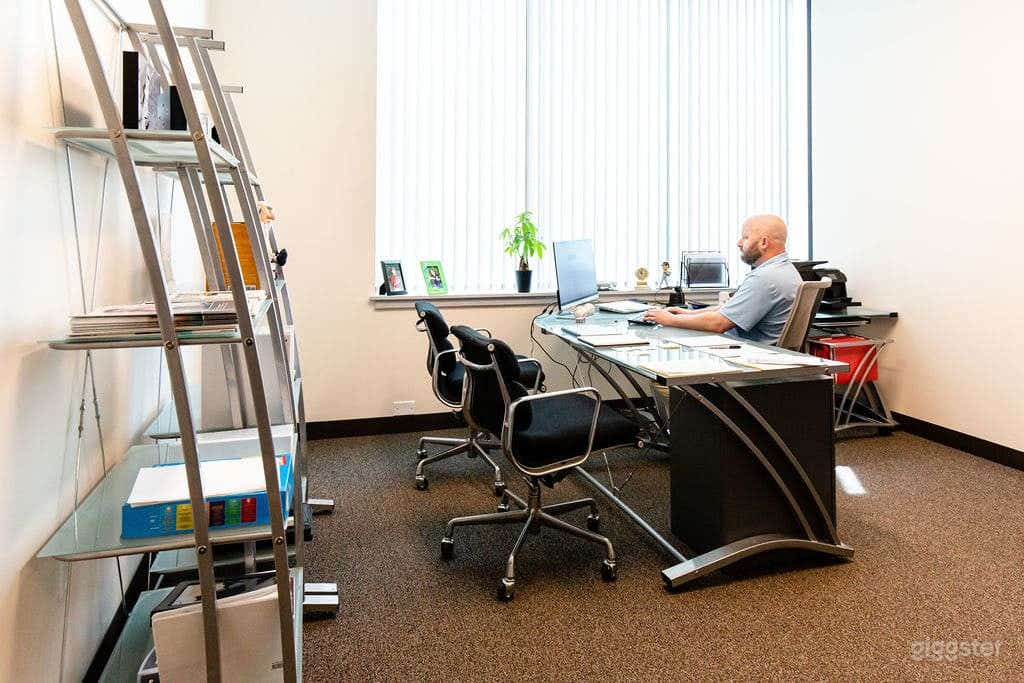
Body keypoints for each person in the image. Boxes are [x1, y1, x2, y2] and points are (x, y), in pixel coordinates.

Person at [643, 214, 801, 345]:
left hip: (752, 359)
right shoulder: (785, 270)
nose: (739, 243)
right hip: (757, 354)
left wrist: (669, 319)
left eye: (745, 237)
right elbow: (729, 311)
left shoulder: (765, 278)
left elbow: (718, 323)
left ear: (764, 242)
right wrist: (686, 314)